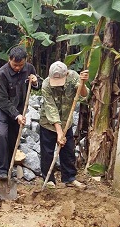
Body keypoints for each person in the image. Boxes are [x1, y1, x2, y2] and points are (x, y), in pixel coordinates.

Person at [0, 46, 41, 180]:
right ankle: (1, 170)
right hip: (2, 109)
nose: (18, 68)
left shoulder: (29, 68)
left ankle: (9, 165)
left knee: (14, 138)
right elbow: (2, 100)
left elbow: (38, 85)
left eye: (20, 65)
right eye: (15, 65)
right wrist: (16, 115)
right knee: (2, 134)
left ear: (25, 61)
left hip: (20, 108)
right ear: (9, 60)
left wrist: (36, 82)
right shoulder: (1, 74)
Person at [39, 61, 89, 189]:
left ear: (66, 74)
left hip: (67, 120)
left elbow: (83, 94)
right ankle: (49, 180)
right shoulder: (46, 85)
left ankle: (69, 178)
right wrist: (59, 132)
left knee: (68, 150)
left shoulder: (73, 77)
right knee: (47, 152)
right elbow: (51, 109)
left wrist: (83, 83)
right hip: (48, 122)